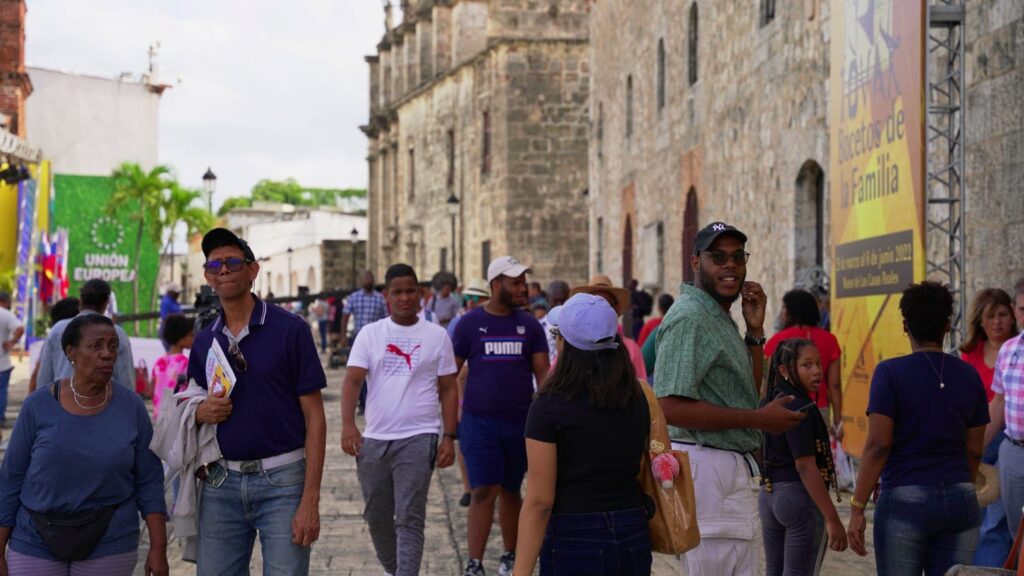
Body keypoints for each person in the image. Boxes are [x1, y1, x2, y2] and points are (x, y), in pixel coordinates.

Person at [654, 221, 805, 575]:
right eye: (718, 257)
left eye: (738, 257)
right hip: (709, 467)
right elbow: (669, 407)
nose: (730, 266)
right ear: (695, 263)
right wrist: (758, 420)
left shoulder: (716, 315)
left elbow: (746, 395)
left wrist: (754, 332)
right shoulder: (691, 317)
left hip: (721, 468)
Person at [187, 228, 327, 575]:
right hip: (221, 483)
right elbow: (188, 402)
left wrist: (310, 500)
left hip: (283, 481)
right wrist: (201, 411)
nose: (224, 270)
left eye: (233, 262)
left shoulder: (290, 330)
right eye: (215, 264)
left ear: (252, 270)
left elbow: (316, 418)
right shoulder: (205, 340)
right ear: (206, 275)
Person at [0, 314, 168, 575]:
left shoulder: (131, 407)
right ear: (71, 352)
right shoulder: (37, 406)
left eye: (113, 346)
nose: (107, 354)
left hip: (110, 537)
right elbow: (11, 478)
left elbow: (149, 479)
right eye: (96, 346)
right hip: (35, 536)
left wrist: (159, 547)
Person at [848, 282, 988, 573]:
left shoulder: (889, 373)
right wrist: (957, 485)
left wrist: (857, 507)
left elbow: (878, 445)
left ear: (904, 325)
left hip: (903, 497)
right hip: (960, 497)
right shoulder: (969, 375)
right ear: (948, 325)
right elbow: (974, 448)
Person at [514, 293, 651, 576]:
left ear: (565, 343)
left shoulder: (550, 404)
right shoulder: (636, 395)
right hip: (631, 525)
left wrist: (521, 572)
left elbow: (539, 501)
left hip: (574, 533)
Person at [341, 263, 459, 576]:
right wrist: (349, 425)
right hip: (376, 438)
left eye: (411, 291)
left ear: (420, 294)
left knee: (409, 516)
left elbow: (449, 388)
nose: (405, 298)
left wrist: (449, 436)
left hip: (420, 437)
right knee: (377, 517)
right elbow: (352, 381)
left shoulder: (436, 336)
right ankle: (396, 570)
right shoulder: (370, 334)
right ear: (386, 296)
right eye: (398, 292)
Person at [452, 256, 549, 576]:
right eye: (515, 282)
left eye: (524, 282)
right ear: (496, 285)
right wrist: (448, 424)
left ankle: (510, 554)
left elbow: (543, 376)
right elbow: (449, 375)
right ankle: (474, 563)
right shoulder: (469, 324)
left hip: (520, 423)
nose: (523, 288)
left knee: (512, 489)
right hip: (479, 422)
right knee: (482, 491)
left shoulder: (531, 326)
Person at [760, 339, 847, 575]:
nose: (817, 370)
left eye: (819, 363)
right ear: (785, 370)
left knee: (774, 571)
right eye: (807, 365)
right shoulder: (797, 407)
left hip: (769, 496)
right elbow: (806, 466)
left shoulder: (769, 403)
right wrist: (832, 519)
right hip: (799, 499)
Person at [961, 288, 1018, 566]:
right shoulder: (969, 355)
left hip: (1008, 439)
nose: (998, 321)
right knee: (982, 517)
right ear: (980, 320)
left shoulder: (1015, 350)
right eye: (991, 315)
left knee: (998, 519)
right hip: (980, 438)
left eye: (1003, 314)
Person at [765, 289, 843, 438]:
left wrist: (764, 409)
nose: (782, 313)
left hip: (783, 409)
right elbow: (835, 384)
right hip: (819, 409)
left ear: (791, 311)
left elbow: (769, 381)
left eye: (784, 308)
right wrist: (838, 421)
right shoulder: (830, 340)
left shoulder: (776, 341)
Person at [37, 279, 135, 391]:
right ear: (105, 304)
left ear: (81, 301)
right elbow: (126, 381)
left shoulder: (57, 330)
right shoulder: (117, 334)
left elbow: (44, 378)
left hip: (61, 403)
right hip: (104, 405)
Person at [986, 278, 1024, 559]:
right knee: (1016, 533)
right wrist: (971, 451)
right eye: (1023, 309)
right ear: (1015, 310)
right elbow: (998, 403)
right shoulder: (1008, 350)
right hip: (1011, 451)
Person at [447, 278, 490, 508]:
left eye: (478, 298)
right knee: (464, 443)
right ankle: (468, 488)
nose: (473, 303)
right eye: (470, 298)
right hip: (465, 391)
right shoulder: (460, 324)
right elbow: (455, 369)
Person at [571, 275, 647, 382]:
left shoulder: (631, 349)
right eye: (593, 304)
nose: (600, 310)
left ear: (616, 309)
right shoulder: (572, 347)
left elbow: (641, 391)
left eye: (605, 304)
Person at [342, 271, 388, 414]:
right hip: (358, 339)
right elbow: (345, 316)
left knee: (375, 371)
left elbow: (386, 318)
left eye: (370, 278)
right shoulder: (354, 297)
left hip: (377, 340)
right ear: (361, 281)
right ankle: (361, 403)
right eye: (365, 278)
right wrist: (343, 335)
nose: (368, 280)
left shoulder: (380, 298)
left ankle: (372, 401)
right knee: (357, 372)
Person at [28, 297, 80, 394]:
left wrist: (32, 403)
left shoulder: (55, 332)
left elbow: (39, 373)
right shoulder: (99, 331)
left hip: (59, 397)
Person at [150, 313, 193, 420]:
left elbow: (151, 390)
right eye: (191, 335)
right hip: (176, 416)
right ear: (181, 339)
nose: (193, 338)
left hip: (159, 415)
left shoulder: (159, 362)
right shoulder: (185, 363)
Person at [0, 291, 24, 428]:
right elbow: (20, 328)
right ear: (6, 301)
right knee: (1, 391)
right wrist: (12, 342)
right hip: (2, 363)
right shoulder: (6, 314)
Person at [539, 281, 569, 364]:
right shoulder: (538, 328)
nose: (559, 304)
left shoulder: (577, 326)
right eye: (555, 300)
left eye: (563, 300)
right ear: (547, 299)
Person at [158, 282, 183, 352]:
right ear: (171, 292)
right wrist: (179, 317)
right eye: (176, 292)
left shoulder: (174, 301)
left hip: (174, 330)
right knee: (171, 352)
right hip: (168, 330)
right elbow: (165, 317)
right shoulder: (166, 302)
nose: (178, 294)